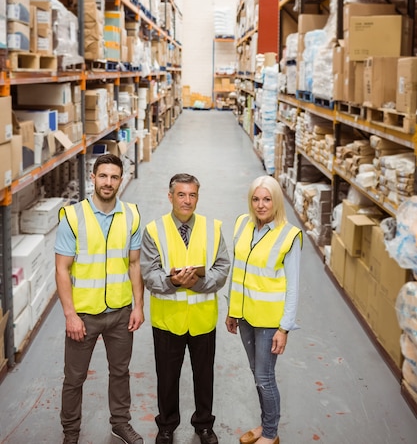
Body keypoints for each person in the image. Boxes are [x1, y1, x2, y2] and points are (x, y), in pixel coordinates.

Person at [55, 154, 145, 444]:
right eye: (103, 176)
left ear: (121, 179)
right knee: (74, 378)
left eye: (114, 177)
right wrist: (70, 315)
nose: (108, 182)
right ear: (92, 178)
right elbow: (62, 268)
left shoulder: (131, 214)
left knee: (120, 372)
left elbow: (134, 265)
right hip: (84, 315)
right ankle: (71, 432)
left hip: (120, 313)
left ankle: (120, 423)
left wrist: (138, 306)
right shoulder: (73, 216)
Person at [140, 173, 230, 444]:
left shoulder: (212, 228)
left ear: (197, 197)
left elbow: (222, 268)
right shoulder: (154, 230)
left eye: (192, 195)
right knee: (167, 379)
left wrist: (200, 283)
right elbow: (148, 274)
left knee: (204, 377)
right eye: (181, 194)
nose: (187, 201)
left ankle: (203, 424)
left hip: (203, 319)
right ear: (170, 197)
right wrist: (172, 281)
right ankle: (166, 425)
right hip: (168, 320)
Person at [225, 175, 302, 444]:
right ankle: (265, 423)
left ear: (276, 201)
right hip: (246, 316)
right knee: (257, 374)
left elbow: (293, 287)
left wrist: (285, 328)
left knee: (264, 377)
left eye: (267, 199)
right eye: (256, 199)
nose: (260, 205)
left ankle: (270, 433)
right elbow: (238, 271)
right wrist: (232, 310)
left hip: (270, 321)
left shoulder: (289, 235)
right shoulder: (241, 225)